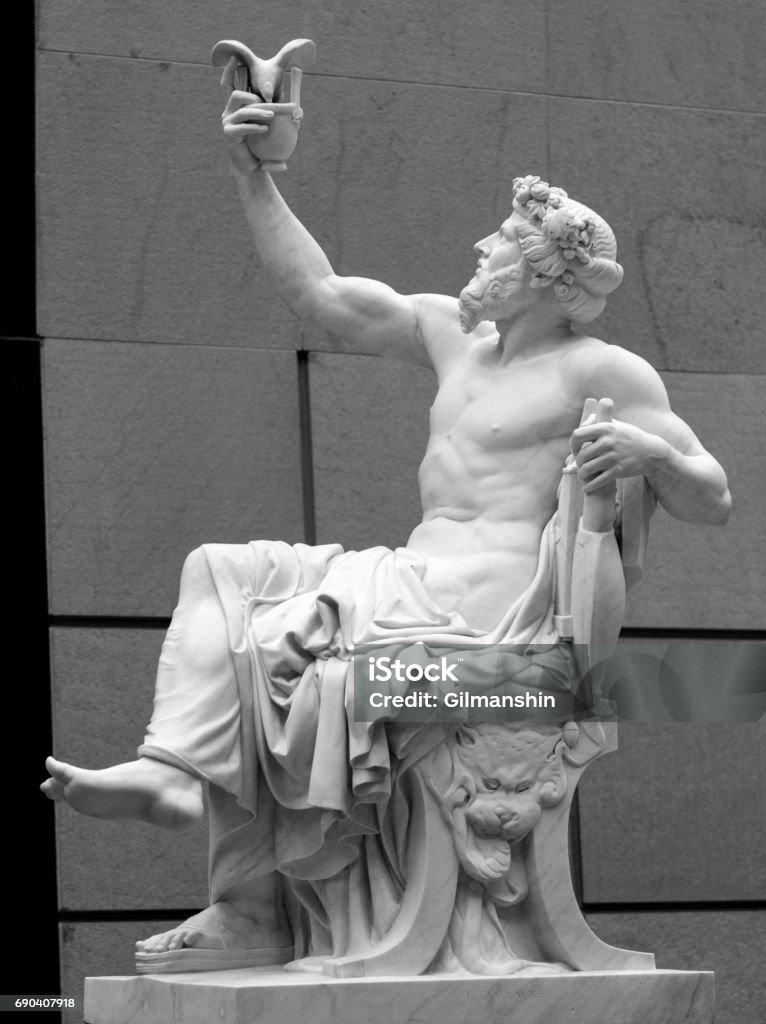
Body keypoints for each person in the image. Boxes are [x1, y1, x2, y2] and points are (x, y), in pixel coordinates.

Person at [41, 88, 731, 972]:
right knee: (221, 568)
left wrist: (647, 453)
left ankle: (236, 869)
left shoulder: (602, 369)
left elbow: (712, 496)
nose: (480, 247)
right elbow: (322, 294)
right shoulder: (453, 334)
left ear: (543, 275)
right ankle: (190, 797)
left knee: (294, 644)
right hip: (411, 574)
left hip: (492, 614)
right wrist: (257, 171)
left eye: (502, 242)